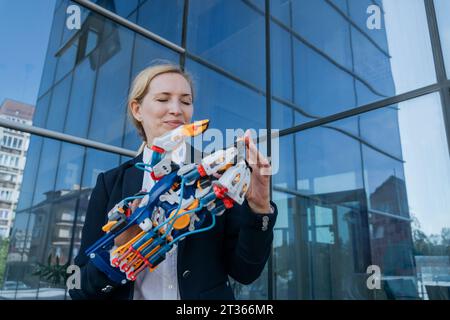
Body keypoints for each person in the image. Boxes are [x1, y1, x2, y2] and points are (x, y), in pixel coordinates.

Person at [69, 63, 278, 300]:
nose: (176, 109)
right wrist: (120, 251)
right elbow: (80, 289)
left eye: (186, 101)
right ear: (137, 109)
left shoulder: (217, 174)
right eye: (163, 99)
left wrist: (260, 208)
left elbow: (246, 272)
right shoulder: (110, 184)